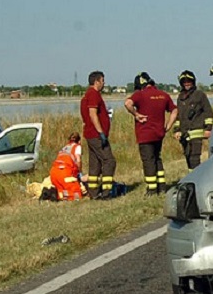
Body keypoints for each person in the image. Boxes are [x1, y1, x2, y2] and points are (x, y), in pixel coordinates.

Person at [124, 72, 178, 195]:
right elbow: (174, 110)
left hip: (145, 134)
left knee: (148, 161)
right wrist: (168, 126)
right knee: (157, 159)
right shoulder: (163, 95)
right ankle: (162, 187)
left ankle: (152, 189)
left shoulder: (140, 95)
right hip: (159, 133)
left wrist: (136, 114)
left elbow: (127, 103)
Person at [80, 70, 116, 199]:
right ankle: (106, 191)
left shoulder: (88, 95)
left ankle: (93, 192)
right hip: (96, 135)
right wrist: (101, 132)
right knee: (109, 161)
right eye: (102, 81)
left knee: (94, 164)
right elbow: (92, 114)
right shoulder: (93, 94)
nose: (104, 83)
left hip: (90, 134)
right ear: (96, 82)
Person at [174, 70, 213, 172]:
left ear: (193, 82)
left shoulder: (199, 95)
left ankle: (197, 180)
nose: (187, 83)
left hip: (197, 131)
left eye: (189, 81)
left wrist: (208, 128)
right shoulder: (180, 97)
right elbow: (178, 116)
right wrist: (176, 130)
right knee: (188, 157)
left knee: (194, 158)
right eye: (184, 81)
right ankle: (191, 179)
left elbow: (208, 112)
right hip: (184, 133)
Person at [49, 132, 84, 201]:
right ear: (79, 141)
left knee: (61, 189)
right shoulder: (77, 147)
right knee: (77, 192)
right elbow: (78, 160)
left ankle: (57, 195)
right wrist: (80, 171)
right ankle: (65, 196)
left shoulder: (64, 148)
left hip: (53, 173)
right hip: (64, 172)